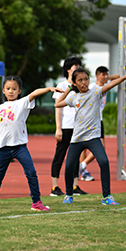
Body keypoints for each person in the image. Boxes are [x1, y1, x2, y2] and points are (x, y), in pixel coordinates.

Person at [55, 67, 126, 205]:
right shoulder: (73, 97)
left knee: (104, 162)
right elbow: (57, 104)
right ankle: (68, 195)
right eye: (80, 80)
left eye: (86, 79)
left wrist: (124, 77)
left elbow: (111, 84)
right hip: (77, 139)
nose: (84, 82)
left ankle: (106, 197)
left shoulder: (96, 92)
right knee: (69, 167)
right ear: (75, 83)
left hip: (93, 137)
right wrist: (69, 88)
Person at [0, 76, 61, 211]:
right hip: (4, 148)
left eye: (14, 89)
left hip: (20, 147)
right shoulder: (0, 108)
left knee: (31, 172)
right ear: (3, 91)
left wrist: (48, 89)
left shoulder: (22, 103)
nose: (11, 91)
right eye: (8, 89)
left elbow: (35, 93)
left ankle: (36, 202)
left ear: (19, 91)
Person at [50, 57, 87, 196]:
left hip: (79, 127)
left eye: (79, 65)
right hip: (65, 126)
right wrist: (58, 128)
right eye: (74, 66)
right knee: (60, 155)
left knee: (76, 157)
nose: (77, 67)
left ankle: (75, 186)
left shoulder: (81, 86)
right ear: (67, 69)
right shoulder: (62, 85)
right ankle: (55, 187)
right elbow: (58, 108)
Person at [79, 66, 120, 181]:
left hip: (98, 120)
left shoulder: (105, 86)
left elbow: (118, 77)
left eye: (107, 74)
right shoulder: (92, 87)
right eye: (103, 74)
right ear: (97, 76)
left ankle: (82, 166)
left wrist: (105, 77)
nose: (106, 77)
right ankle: (84, 171)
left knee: (101, 147)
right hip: (88, 120)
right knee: (84, 148)